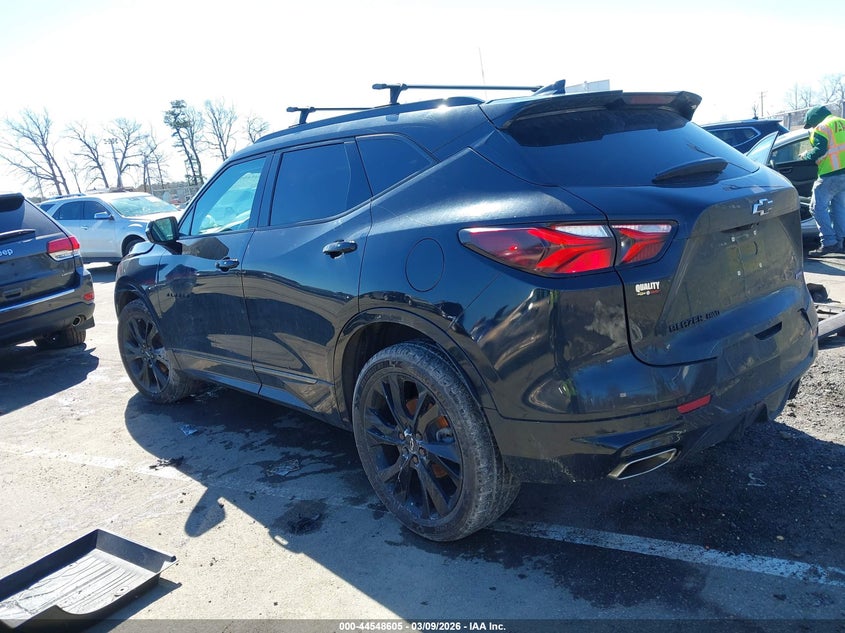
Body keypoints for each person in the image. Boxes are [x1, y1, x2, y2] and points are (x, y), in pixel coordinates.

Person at [800, 105, 845, 257]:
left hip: (831, 173)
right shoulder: (841, 122)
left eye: (811, 124)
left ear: (814, 120)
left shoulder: (822, 127)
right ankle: (841, 242)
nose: (812, 127)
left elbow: (820, 150)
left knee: (816, 207)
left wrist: (806, 155)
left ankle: (829, 242)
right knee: (839, 208)